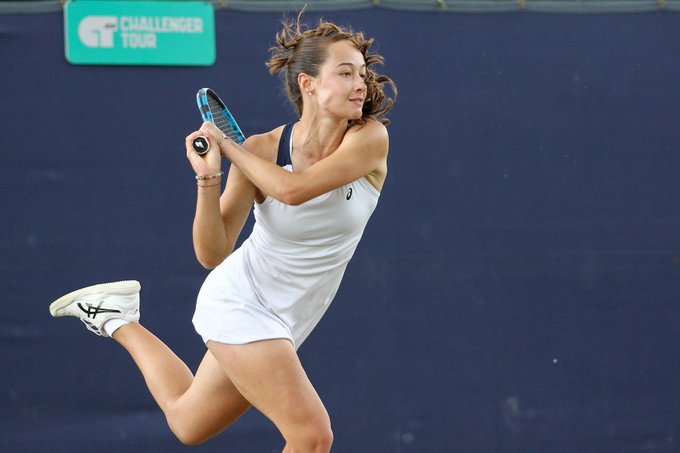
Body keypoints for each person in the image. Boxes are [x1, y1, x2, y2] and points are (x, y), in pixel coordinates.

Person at [49, 14, 396, 453]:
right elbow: (213, 254)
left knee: (189, 423)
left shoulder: (369, 138)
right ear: (307, 83)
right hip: (242, 300)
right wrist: (209, 178)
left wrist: (230, 147)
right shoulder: (262, 150)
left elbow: (292, 191)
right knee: (311, 435)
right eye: (345, 73)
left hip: (292, 316)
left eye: (361, 74)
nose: (360, 84)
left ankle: (115, 317)